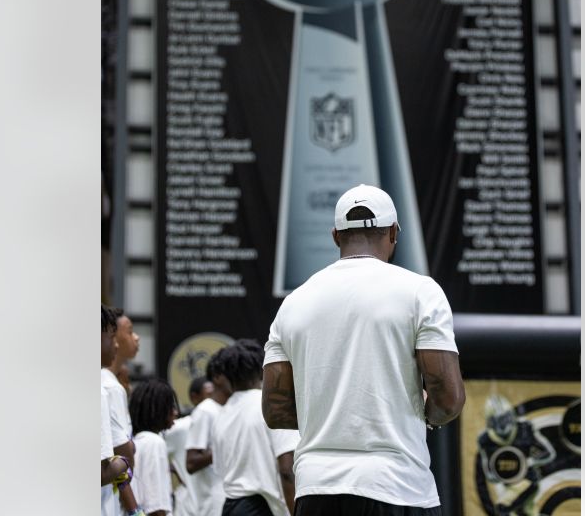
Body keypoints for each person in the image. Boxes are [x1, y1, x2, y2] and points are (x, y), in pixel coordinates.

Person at [262, 184, 466, 516]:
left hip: (316, 491)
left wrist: (330, 416)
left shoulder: (293, 303)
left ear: (335, 236)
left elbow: (275, 409)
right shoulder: (420, 292)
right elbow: (448, 398)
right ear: (393, 233)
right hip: (397, 487)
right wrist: (422, 414)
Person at [209, 340, 298, 516]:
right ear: (261, 369)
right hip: (262, 507)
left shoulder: (221, 414)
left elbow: (219, 470)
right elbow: (287, 470)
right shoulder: (272, 406)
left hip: (230, 506)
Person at [103, 305, 141, 516]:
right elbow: (121, 452)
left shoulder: (118, 385)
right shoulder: (109, 387)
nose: (137, 338)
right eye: (130, 331)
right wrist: (135, 510)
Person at [130, 379, 181, 516]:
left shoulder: (138, 441)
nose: (176, 412)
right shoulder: (154, 443)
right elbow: (156, 506)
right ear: (157, 408)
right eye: (171, 407)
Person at [185, 367, 231, 516]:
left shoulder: (230, 408)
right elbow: (191, 463)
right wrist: (223, 447)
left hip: (231, 496)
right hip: (213, 502)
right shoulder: (205, 411)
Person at [165, 378, 214, 516]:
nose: (213, 400)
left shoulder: (221, 423)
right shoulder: (179, 428)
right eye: (209, 395)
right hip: (189, 509)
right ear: (194, 397)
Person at [111, 307, 141, 395]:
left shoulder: (122, 381)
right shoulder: (106, 386)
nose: (136, 337)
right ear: (113, 337)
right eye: (130, 332)